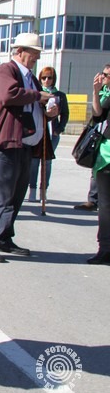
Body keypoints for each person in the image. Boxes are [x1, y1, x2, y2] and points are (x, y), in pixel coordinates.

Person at [0, 33, 58, 263]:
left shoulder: (30, 77)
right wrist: (38, 96)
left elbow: (32, 108)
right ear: (20, 51)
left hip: (23, 144)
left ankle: (3, 237)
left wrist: (49, 112)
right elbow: (8, 95)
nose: (37, 57)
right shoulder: (6, 71)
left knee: (15, 196)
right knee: (0, 195)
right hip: (5, 144)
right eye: (34, 53)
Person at [27, 66, 69, 202]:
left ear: (53, 79)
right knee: (34, 162)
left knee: (47, 162)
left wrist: (59, 129)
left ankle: (43, 191)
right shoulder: (37, 93)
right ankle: (32, 190)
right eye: (44, 78)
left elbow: (65, 114)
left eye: (49, 78)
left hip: (52, 133)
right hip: (38, 131)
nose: (46, 80)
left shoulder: (60, 95)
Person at [88, 63, 110, 265]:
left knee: (106, 206)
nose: (103, 77)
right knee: (105, 205)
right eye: (103, 74)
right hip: (106, 157)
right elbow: (97, 116)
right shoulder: (106, 94)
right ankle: (104, 248)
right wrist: (96, 92)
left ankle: (105, 248)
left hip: (107, 155)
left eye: (107, 75)